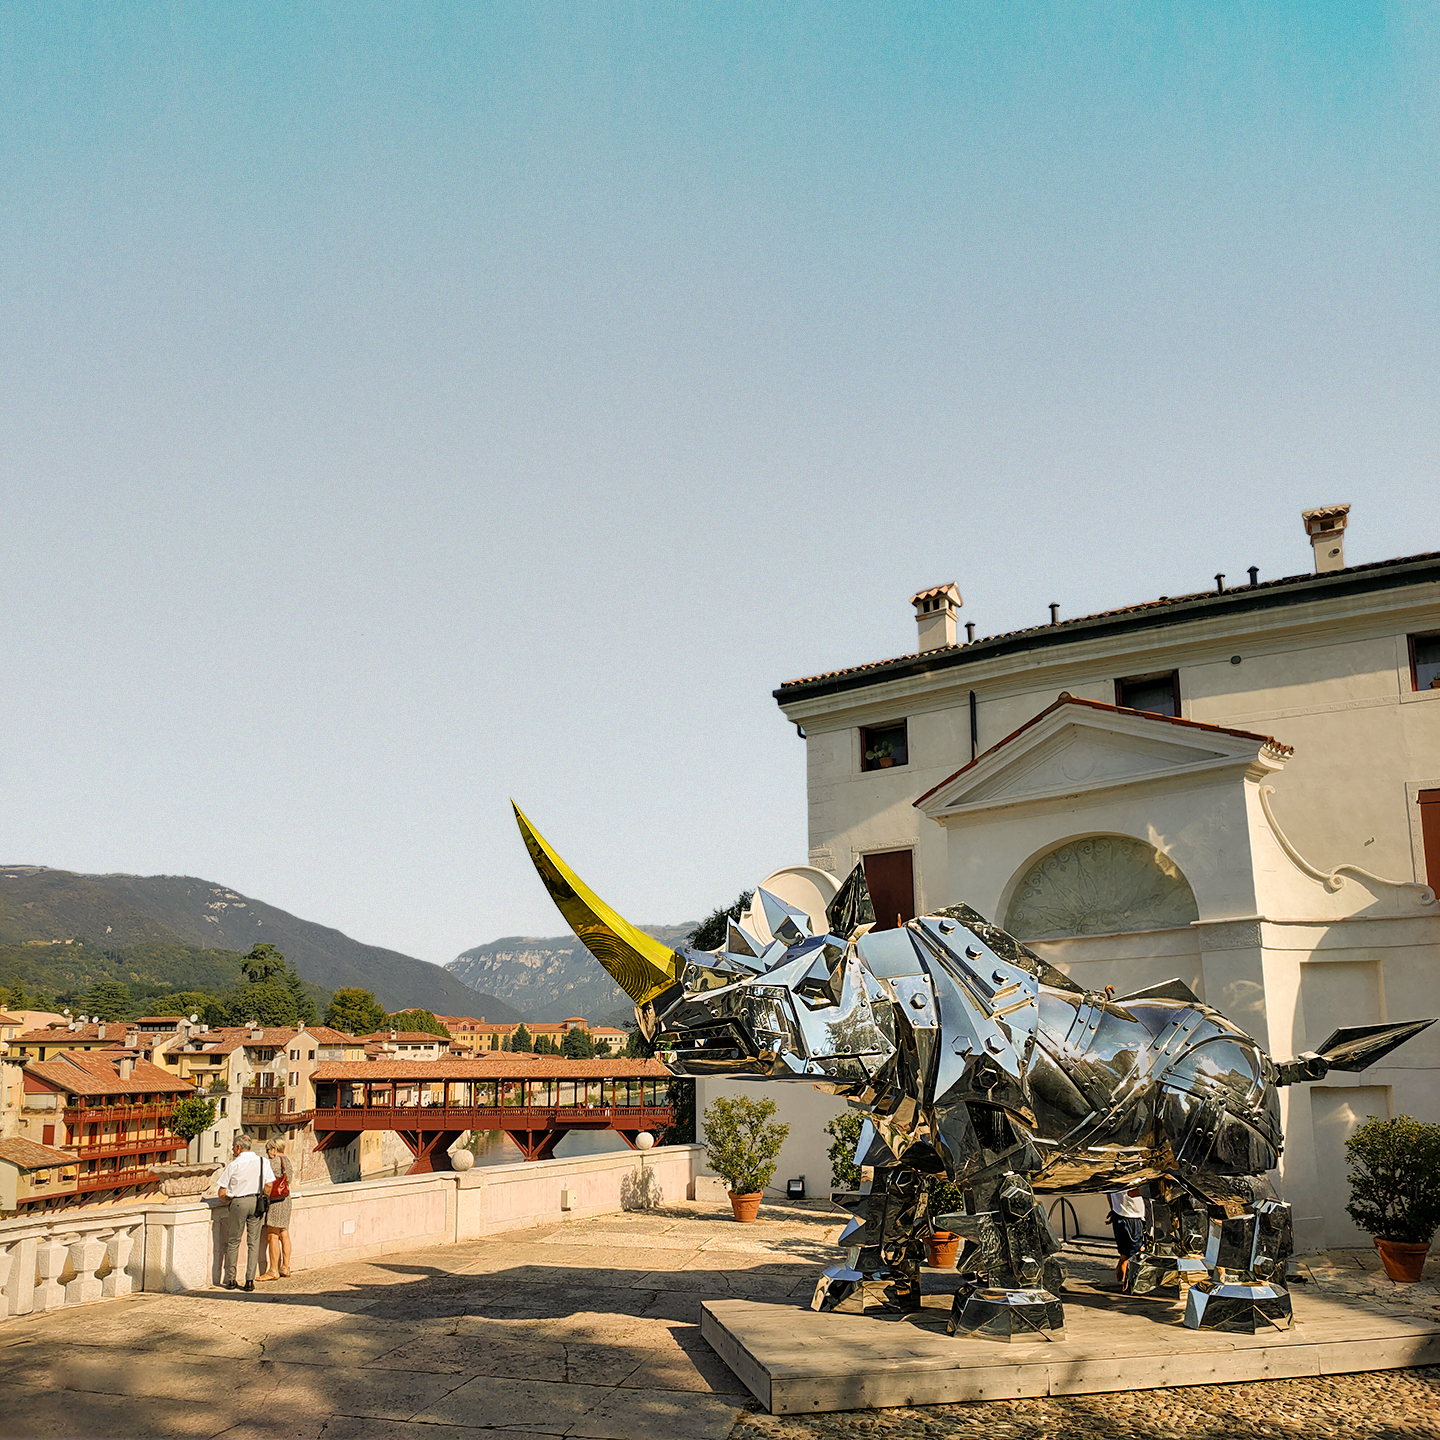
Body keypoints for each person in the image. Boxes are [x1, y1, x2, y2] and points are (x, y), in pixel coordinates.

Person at [216, 1136, 275, 1292]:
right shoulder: (263, 1162)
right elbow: (269, 1184)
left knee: (234, 1241)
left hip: (239, 1202)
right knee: (253, 1243)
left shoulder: (234, 1165)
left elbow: (222, 1192)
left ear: (239, 1148)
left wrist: (228, 1198)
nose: (233, 1150)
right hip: (256, 1201)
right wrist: (264, 1198)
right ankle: (249, 1280)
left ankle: (231, 1279)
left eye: (234, 1148)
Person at [257, 1140, 293, 1281]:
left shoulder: (274, 1162)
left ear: (273, 1149)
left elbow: (266, 1180)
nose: (268, 1153)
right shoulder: (287, 1161)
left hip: (276, 1201)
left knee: (272, 1234)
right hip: (286, 1199)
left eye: (268, 1150)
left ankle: (273, 1270)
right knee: (284, 1232)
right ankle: (285, 1266)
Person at [1107, 1186, 1147, 1285]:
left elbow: (1108, 1193)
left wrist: (1113, 1209)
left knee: (1125, 1254)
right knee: (1131, 1255)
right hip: (1130, 1216)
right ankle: (1126, 1283)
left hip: (1121, 1214)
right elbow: (1132, 1192)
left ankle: (1122, 1281)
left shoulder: (1114, 1179)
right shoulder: (1128, 1177)